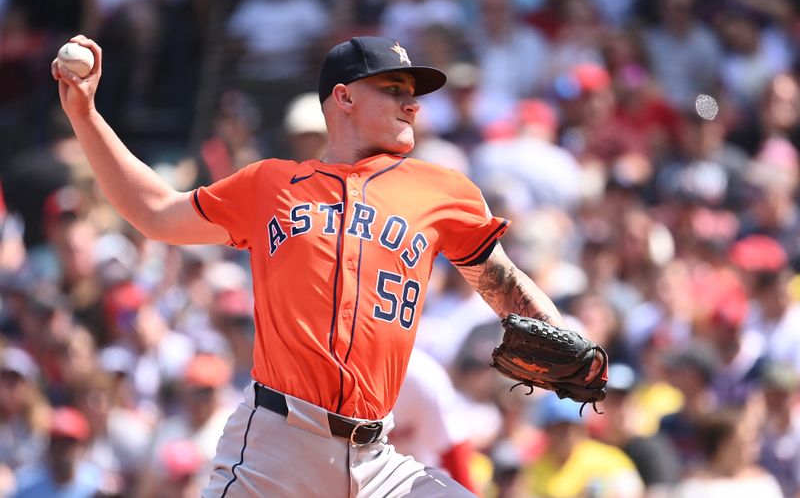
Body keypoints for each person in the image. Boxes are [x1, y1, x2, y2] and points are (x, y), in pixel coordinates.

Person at [52, 34, 602, 497]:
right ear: (342, 97)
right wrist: (86, 115)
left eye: (413, 94)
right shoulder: (269, 183)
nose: (411, 104)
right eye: (392, 90)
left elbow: (504, 286)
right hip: (276, 447)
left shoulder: (444, 191)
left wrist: (565, 337)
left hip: (378, 458)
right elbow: (156, 213)